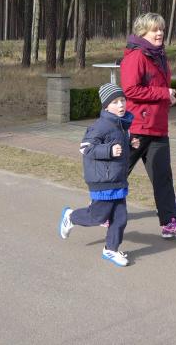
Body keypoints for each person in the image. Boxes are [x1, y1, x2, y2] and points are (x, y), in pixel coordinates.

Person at [120, 12, 176, 239]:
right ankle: (101, 211)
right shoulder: (136, 56)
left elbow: (156, 88)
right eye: (154, 30)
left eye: (161, 29)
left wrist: (168, 98)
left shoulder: (159, 56)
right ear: (143, 32)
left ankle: (170, 223)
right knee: (119, 173)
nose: (159, 33)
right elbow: (130, 90)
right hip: (138, 127)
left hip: (158, 126)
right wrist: (163, 93)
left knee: (163, 178)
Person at [59, 83, 140, 267]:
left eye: (122, 100)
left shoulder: (122, 125)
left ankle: (110, 249)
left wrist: (131, 144)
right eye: (115, 102)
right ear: (106, 106)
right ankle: (71, 217)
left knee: (120, 218)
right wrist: (109, 150)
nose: (121, 105)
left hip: (118, 179)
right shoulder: (100, 126)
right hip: (103, 180)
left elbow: (120, 147)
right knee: (98, 217)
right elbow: (85, 148)